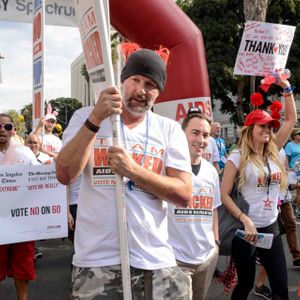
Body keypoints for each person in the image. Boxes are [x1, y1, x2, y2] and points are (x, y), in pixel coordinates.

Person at [56, 44, 192, 299]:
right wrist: (96, 118)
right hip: (97, 261)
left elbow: (184, 194)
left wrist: (133, 171)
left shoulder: (169, 129)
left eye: (150, 84)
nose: (141, 90)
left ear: (159, 92)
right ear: (122, 81)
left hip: (156, 260)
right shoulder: (85, 117)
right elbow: (65, 173)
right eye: (135, 80)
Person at [220, 73, 297, 300]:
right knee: (244, 284)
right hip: (245, 231)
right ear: (250, 129)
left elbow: (290, 120)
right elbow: (224, 194)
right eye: (262, 126)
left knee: (281, 287)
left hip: (270, 227)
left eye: (270, 127)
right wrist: (244, 218)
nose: (267, 130)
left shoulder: (274, 150)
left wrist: (286, 87)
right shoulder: (237, 156)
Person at [168, 107, 221, 300]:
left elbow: (214, 208)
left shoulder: (211, 171)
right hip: (175, 258)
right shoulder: (167, 167)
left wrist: (216, 242)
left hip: (206, 258)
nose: (201, 140)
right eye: (195, 133)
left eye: (206, 135)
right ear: (182, 134)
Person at [0, 113, 38, 300]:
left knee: (23, 267)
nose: (2, 130)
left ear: (13, 130)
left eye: (7, 126)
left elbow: (43, 180)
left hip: (22, 220)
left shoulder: (26, 153)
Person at [285, 128, 300, 218]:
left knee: (298, 189)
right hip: (295, 171)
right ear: (294, 136)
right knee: (297, 190)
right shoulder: (289, 145)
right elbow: (286, 158)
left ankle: (295, 203)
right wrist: (287, 169)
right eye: (299, 134)